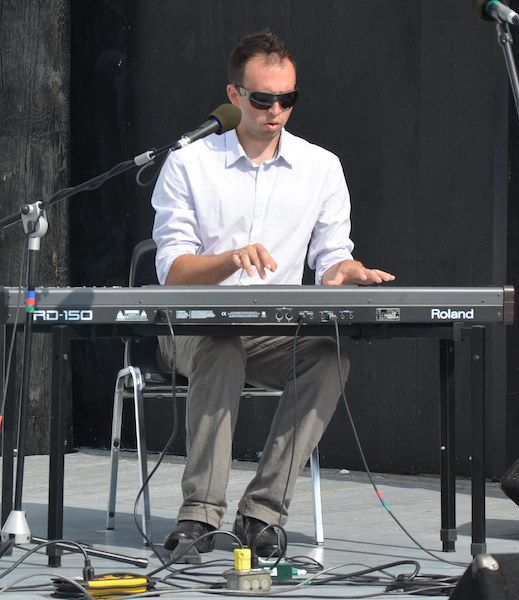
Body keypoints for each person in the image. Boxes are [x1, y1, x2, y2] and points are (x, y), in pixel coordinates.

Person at [151, 31, 395, 558]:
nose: (276, 110)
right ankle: (199, 515)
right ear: (234, 95)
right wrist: (229, 260)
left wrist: (348, 270)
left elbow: (331, 256)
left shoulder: (321, 166)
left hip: (273, 330)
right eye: (263, 99)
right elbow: (172, 270)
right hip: (193, 327)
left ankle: (261, 512)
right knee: (220, 346)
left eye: (288, 99)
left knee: (329, 357)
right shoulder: (189, 163)